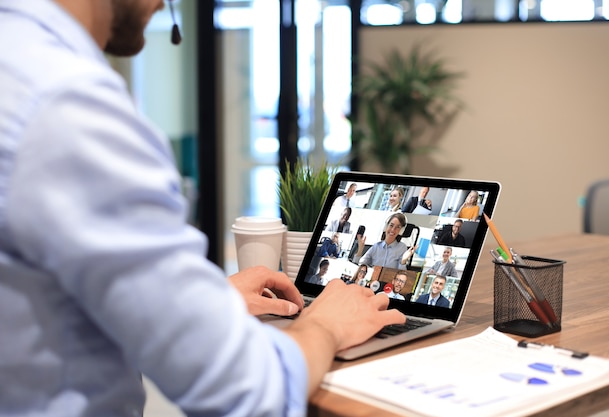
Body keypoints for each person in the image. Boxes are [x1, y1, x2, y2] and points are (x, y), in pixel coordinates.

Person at [0, 2, 406, 417]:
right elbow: (243, 390)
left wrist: (199, 303)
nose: (164, 6)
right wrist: (326, 324)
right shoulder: (65, 105)